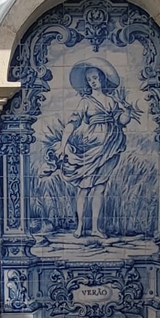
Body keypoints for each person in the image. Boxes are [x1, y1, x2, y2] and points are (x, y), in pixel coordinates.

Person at [55, 58, 140, 238]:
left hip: (111, 147)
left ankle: (95, 228)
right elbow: (72, 123)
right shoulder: (85, 102)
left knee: (100, 188)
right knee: (84, 188)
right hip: (91, 148)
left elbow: (122, 121)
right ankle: (79, 227)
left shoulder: (111, 100)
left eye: (95, 77)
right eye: (89, 79)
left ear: (102, 78)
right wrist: (63, 144)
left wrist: (127, 111)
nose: (93, 81)